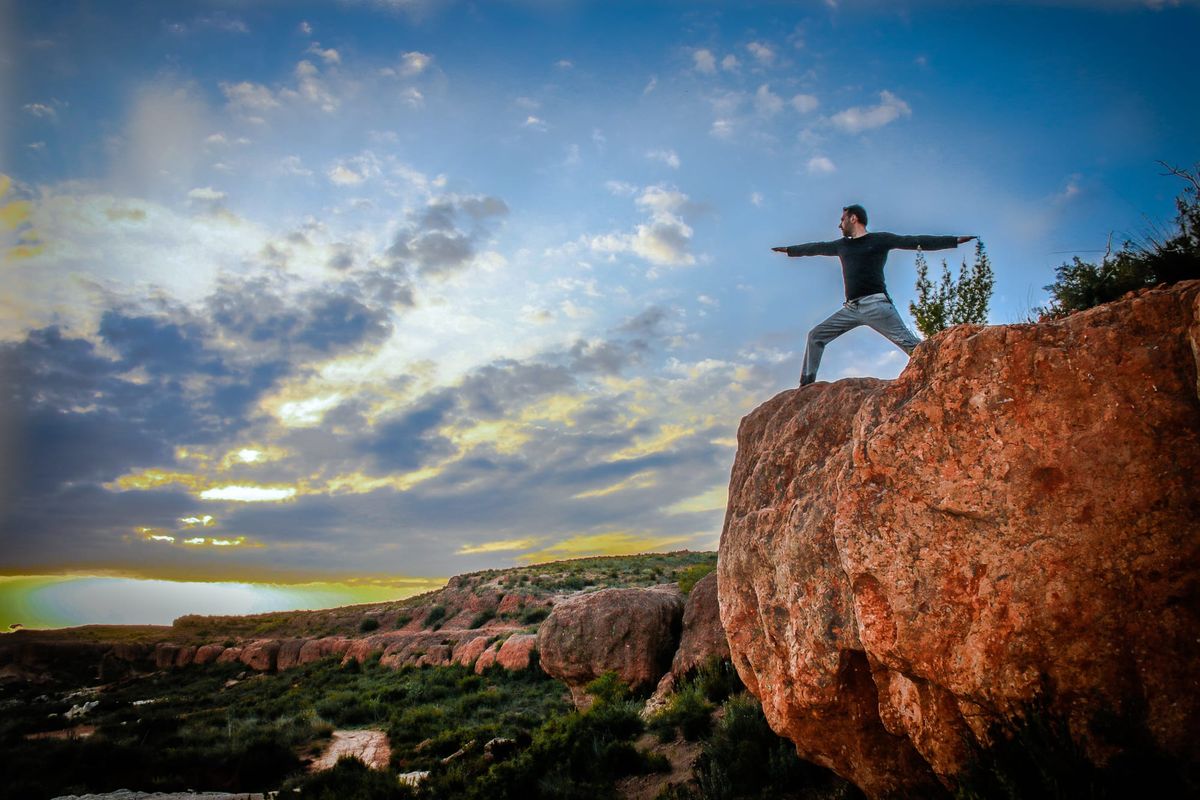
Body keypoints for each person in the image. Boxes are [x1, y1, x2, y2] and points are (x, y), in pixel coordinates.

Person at [772, 204, 976, 385]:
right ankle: (806, 385)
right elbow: (815, 248)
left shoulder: (880, 240)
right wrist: (790, 250)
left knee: (913, 347)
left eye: (842, 220)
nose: (839, 225)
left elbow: (914, 241)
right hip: (851, 309)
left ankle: (949, 370)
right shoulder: (841, 245)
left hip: (877, 306)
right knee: (816, 336)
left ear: (853, 218)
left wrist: (953, 241)